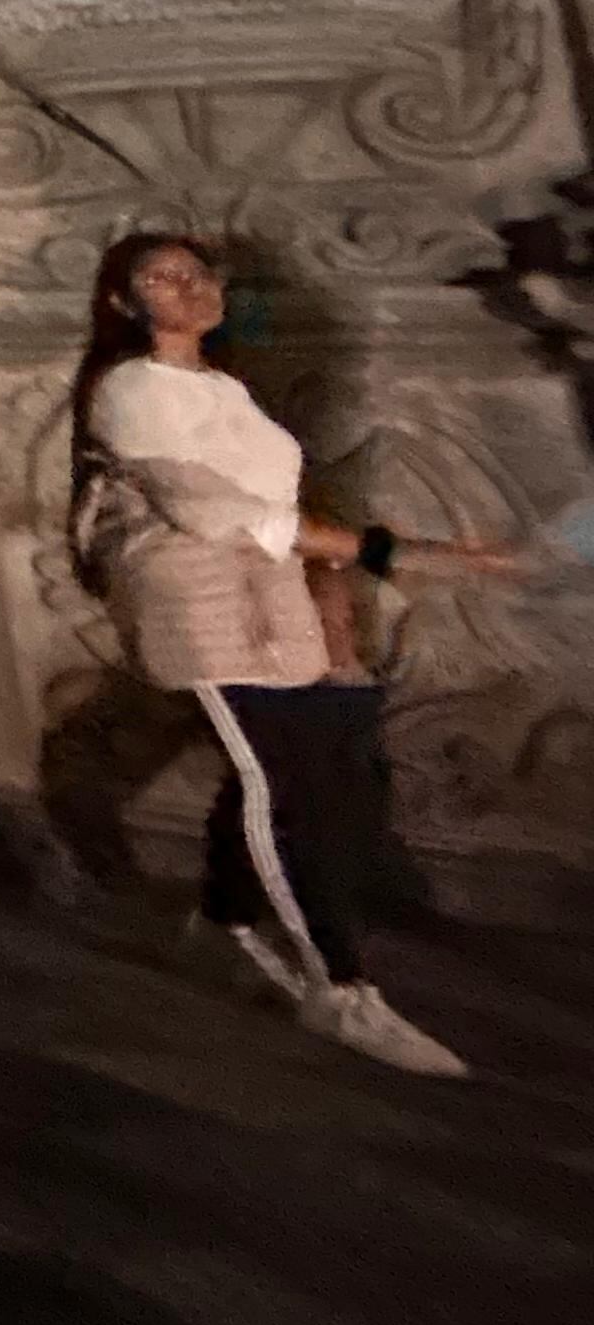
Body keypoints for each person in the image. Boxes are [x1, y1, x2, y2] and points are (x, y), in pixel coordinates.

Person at [68, 232, 521, 1076]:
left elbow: (279, 513)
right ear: (124, 303)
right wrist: (406, 552)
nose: (189, 287)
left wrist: (336, 602)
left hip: (269, 597)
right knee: (287, 790)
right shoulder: (133, 389)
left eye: (199, 273)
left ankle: (222, 919)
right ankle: (340, 990)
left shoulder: (224, 388)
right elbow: (217, 515)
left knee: (296, 771)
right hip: (202, 601)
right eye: (162, 277)